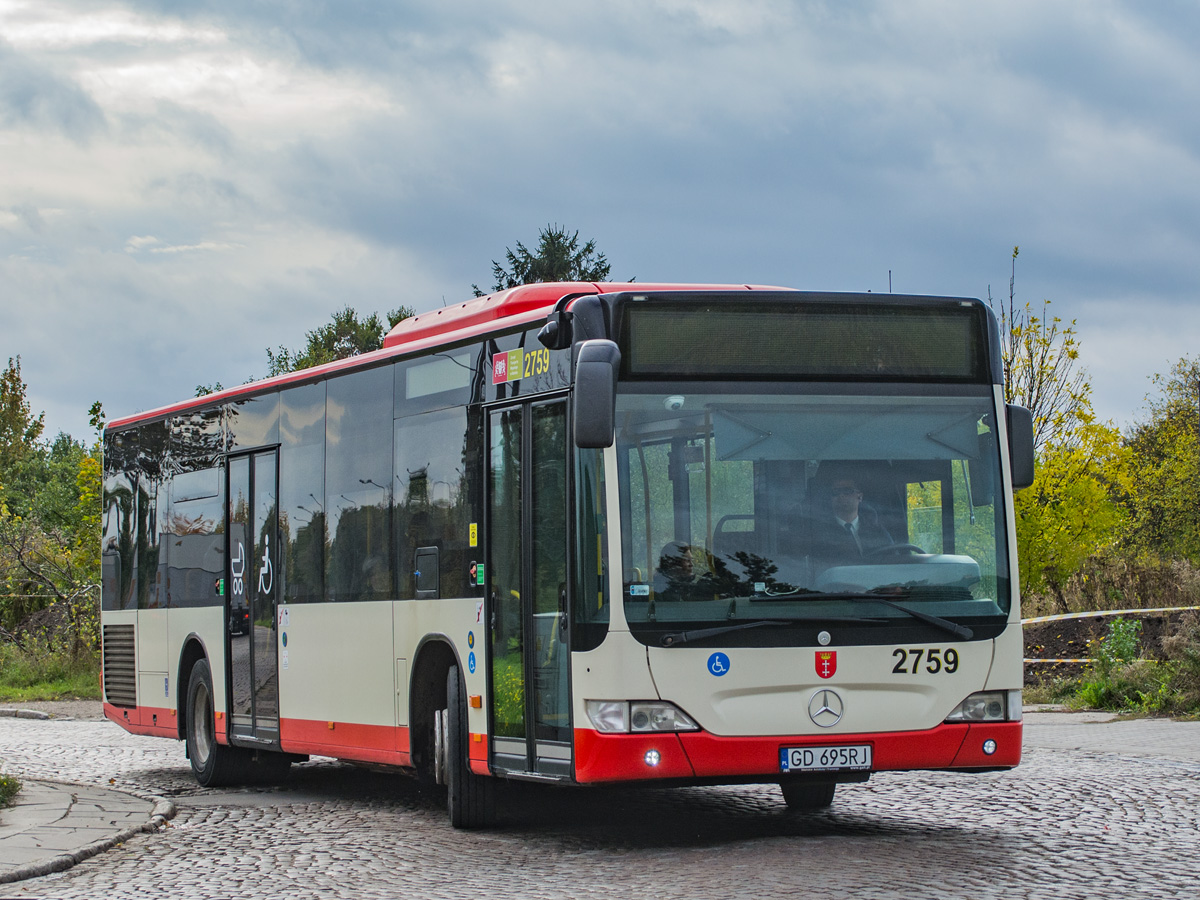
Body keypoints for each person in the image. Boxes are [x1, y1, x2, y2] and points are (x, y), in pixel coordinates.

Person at [811, 477, 893, 570]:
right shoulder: (820, 534)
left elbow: (894, 561)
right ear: (831, 499)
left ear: (860, 496)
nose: (841, 495)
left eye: (847, 491)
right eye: (835, 492)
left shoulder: (877, 531)